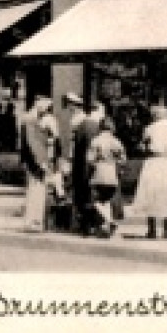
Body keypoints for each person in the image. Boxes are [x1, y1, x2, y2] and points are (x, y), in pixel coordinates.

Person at [132, 105, 167, 239]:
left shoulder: (149, 129)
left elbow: (142, 146)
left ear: (156, 116)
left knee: (152, 193)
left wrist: (144, 147)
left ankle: (152, 229)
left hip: (154, 161)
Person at [65, 95, 101, 234]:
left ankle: (85, 222)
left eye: (72, 105)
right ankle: (85, 222)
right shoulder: (85, 121)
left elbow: (75, 142)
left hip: (80, 159)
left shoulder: (81, 121)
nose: (70, 107)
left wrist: (70, 158)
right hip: (82, 158)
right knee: (82, 190)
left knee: (82, 190)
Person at [20, 96, 57, 232]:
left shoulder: (30, 119)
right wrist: (40, 161)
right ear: (38, 104)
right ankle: (33, 221)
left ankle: (33, 221)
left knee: (36, 190)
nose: (46, 110)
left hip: (35, 160)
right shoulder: (31, 119)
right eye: (46, 106)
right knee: (37, 190)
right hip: (36, 161)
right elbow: (32, 143)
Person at [86, 116, 126, 237]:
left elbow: (90, 159)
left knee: (96, 199)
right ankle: (106, 226)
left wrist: (95, 163)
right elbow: (123, 159)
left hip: (99, 170)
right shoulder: (116, 141)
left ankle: (108, 221)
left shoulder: (96, 141)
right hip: (112, 171)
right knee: (107, 199)